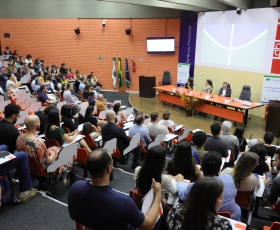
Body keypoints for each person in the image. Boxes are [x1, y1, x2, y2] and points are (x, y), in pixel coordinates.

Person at [68, 148, 161, 229]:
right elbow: (149, 225)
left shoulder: (75, 188)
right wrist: (158, 194)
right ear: (108, 168)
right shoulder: (123, 202)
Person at [175, 151, 241, 221]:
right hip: (231, 218)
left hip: (203, 219)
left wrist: (179, 182)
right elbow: (234, 195)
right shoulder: (229, 179)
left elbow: (182, 195)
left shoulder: (194, 186)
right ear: (219, 169)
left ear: (201, 164)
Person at [16, 115, 74, 184]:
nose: (40, 123)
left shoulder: (19, 138)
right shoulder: (39, 143)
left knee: (54, 148)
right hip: (43, 168)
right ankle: (72, 179)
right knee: (69, 156)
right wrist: (52, 153)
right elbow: (48, 162)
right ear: (35, 126)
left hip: (29, 165)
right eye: (39, 122)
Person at [167, 177, 232, 230]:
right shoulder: (223, 225)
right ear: (210, 201)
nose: (223, 199)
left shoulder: (174, 211)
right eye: (220, 198)